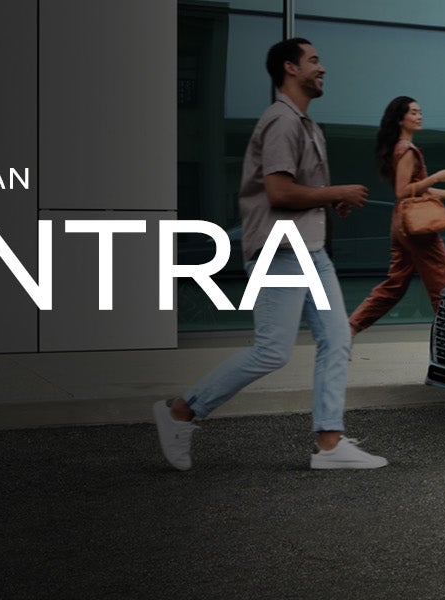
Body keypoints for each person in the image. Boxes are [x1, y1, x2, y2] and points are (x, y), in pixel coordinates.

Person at [152, 38, 387, 471]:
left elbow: (296, 190)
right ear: (289, 68)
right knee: (271, 351)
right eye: (314, 60)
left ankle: (331, 444)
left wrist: (325, 200)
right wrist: (335, 191)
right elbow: (279, 191)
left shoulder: (307, 126)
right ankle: (180, 412)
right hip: (281, 249)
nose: (323, 68)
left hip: (310, 250)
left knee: (337, 338)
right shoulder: (280, 121)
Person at [349, 96, 445, 334]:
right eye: (413, 112)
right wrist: (436, 176)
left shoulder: (399, 149)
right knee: (443, 286)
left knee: (394, 285)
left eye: (420, 112)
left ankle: (349, 329)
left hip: (402, 223)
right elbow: (403, 191)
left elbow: (420, 189)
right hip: (417, 226)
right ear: (400, 119)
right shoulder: (407, 150)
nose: (419, 116)